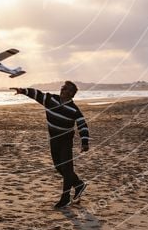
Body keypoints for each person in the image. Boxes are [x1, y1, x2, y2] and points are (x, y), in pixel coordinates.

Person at [13, 81, 90, 209]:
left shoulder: (74, 110)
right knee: (58, 166)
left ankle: (65, 199)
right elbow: (37, 94)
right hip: (53, 139)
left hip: (66, 142)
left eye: (65, 89)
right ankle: (79, 185)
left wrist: (85, 142)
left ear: (71, 93)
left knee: (67, 169)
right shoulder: (51, 99)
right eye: (62, 88)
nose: (62, 90)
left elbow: (82, 125)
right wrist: (23, 91)